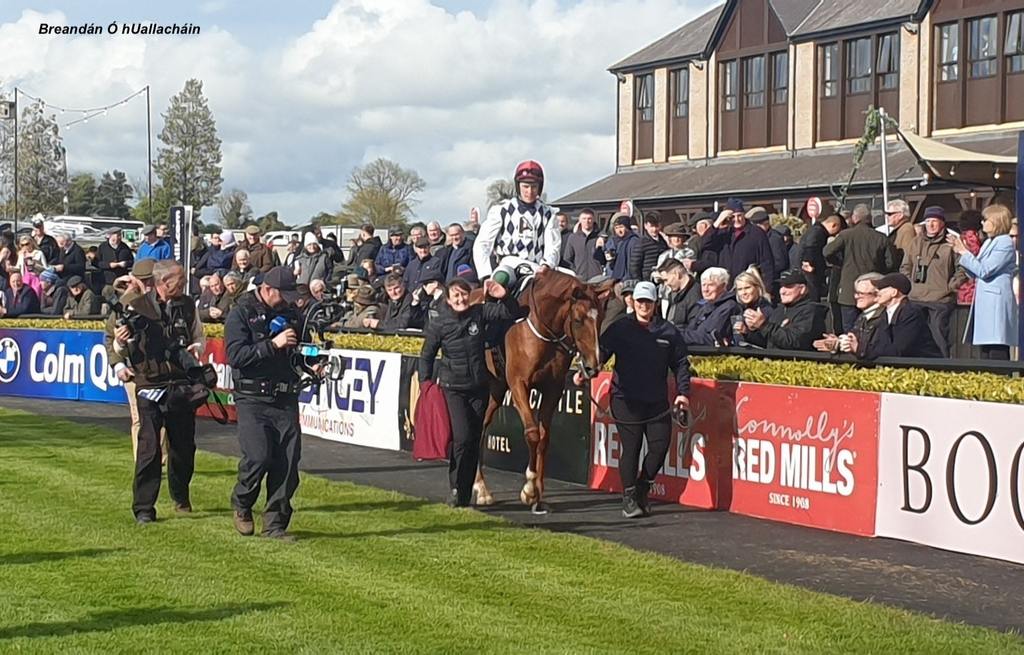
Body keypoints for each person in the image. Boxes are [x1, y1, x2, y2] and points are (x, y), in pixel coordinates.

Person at [577, 280, 690, 518]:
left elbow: (680, 364)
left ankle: (642, 488)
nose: (643, 306)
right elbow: (601, 354)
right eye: (640, 301)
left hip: (656, 401)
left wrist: (683, 393)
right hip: (625, 399)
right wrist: (586, 372)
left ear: (655, 303)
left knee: (659, 448)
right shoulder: (620, 328)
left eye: (648, 301)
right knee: (632, 447)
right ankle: (628, 497)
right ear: (633, 302)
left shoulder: (669, 332)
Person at [108, 260, 205, 523]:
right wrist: (120, 343)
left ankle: (180, 494)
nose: (184, 284)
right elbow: (118, 345)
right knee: (149, 449)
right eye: (180, 280)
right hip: (149, 383)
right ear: (163, 282)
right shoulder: (135, 305)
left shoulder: (187, 305)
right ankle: (144, 509)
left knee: (184, 448)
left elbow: (198, 335)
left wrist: (196, 348)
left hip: (181, 384)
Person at [418, 278, 517, 507]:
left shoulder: (479, 313)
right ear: (448, 300)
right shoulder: (439, 324)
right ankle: (456, 486)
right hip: (453, 389)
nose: (461, 299)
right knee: (461, 438)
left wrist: (504, 295)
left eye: (463, 294)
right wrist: (425, 385)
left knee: (473, 439)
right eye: (456, 296)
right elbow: (427, 355)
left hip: (479, 387)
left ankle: (464, 493)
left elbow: (510, 313)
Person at [225, 267, 306, 540]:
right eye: (283, 295)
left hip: (285, 396)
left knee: (287, 462)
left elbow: (299, 351)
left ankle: (275, 524)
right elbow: (236, 356)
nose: (288, 301)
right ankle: (242, 503)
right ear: (268, 289)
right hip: (252, 398)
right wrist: (272, 345)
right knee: (258, 457)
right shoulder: (241, 313)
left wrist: (313, 364)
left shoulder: (292, 314)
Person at [948, 204, 1017, 360]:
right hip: (984, 302)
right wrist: (961, 253)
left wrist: (964, 252)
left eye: (986, 220)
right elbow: (975, 271)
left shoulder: (1004, 242)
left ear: (997, 221)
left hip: (995, 302)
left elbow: (985, 270)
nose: (982, 223)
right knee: (985, 350)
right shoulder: (988, 242)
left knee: (996, 349)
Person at [473, 160, 562, 280]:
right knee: (501, 278)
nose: (529, 191)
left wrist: (547, 264)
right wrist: (485, 274)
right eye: (525, 186)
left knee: (572, 280)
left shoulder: (549, 213)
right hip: (509, 265)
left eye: (534, 187)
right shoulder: (501, 210)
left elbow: (553, 246)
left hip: (538, 269)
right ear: (518, 186)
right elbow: (483, 243)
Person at [823, 203, 896, 332]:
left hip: (848, 290)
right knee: (873, 328)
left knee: (849, 329)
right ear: (870, 219)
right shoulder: (881, 238)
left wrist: (839, 263)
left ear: (854, 218)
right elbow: (890, 263)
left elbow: (827, 251)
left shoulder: (846, 235)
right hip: (873, 290)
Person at [900, 206, 957, 357]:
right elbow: (905, 266)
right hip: (916, 297)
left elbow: (962, 269)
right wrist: (909, 284)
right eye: (928, 221)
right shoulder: (915, 243)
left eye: (935, 221)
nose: (931, 225)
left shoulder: (951, 243)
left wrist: (950, 286)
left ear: (942, 223)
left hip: (940, 299)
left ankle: (943, 367)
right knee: (914, 336)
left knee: (938, 335)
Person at [847, 273, 941, 359]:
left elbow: (898, 350)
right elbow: (880, 345)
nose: (877, 292)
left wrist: (860, 349)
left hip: (925, 368)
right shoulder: (886, 314)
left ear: (894, 292)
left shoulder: (911, 313)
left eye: (881, 288)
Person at [740, 269, 826, 351]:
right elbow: (768, 343)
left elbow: (794, 342)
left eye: (788, 286)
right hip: (772, 364)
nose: (782, 291)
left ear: (802, 289)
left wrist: (764, 325)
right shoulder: (778, 310)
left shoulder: (811, 311)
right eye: (781, 286)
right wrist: (748, 332)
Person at [706, 199, 775, 285]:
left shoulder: (756, 233)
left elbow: (766, 261)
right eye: (733, 217)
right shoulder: (723, 233)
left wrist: (767, 287)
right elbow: (705, 243)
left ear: (744, 215)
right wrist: (717, 222)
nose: (736, 219)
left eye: (739, 215)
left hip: (748, 283)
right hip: (726, 284)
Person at [815, 272, 884, 353]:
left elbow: (876, 349)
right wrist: (837, 342)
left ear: (878, 294)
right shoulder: (863, 316)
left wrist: (848, 346)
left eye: (861, 293)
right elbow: (853, 339)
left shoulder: (884, 318)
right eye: (856, 293)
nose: (856, 296)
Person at [678, 267, 738, 346]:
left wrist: (677, 334)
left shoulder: (729, 307)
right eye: (703, 285)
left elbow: (711, 338)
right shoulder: (705, 306)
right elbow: (690, 330)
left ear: (723, 286)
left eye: (710, 285)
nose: (705, 289)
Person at [746, 208, 788, 291]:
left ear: (766, 224)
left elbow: (780, 262)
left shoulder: (774, 238)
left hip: (771, 280)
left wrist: (762, 270)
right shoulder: (756, 237)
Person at [730, 267, 773, 346]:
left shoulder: (766, 310)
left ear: (757, 288)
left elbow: (769, 342)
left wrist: (746, 332)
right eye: (740, 289)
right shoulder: (738, 308)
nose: (744, 292)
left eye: (747, 288)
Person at [654, 259, 700, 328]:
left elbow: (693, 328)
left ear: (677, 274)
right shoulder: (673, 295)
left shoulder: (695, 295)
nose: (666, 284)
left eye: (666, 280)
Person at [595, 213, 638, 281]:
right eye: (616, 228)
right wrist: (599, 248)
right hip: (612, 276)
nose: (619, 230)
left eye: (621, 227)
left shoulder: (634, 241)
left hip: (627, 278)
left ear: (627, 227)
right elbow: (602, 260)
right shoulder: (612, 241)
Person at [954, 209, 984, 307]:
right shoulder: (972, 237)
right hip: (970, 287)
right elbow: (974, 255)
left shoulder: (964, 237)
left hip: (964, 288)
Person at [563, 208, 604, 280]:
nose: (587, 221)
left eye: (589, 219)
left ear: (593, 220)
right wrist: (575, 272)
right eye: (584, 218)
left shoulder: (600, 236)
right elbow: (567, 259)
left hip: (597, 279)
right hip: (579, 279)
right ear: (580, 220)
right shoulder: (573, 237)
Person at [629, 212, 669, 281]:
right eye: (651, 226)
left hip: (662, 278)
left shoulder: (663, 241)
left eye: (656, 226)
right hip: (647, 279)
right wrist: (638, 281)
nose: (654, 229)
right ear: (645, 226)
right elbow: (634, 265)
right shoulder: (641, 242)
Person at [884, 199, 917, 266]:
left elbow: (907, 254)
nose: (887, 217)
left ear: (900, 215)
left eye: (889, 214)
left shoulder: (906, 229)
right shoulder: (901, 229)